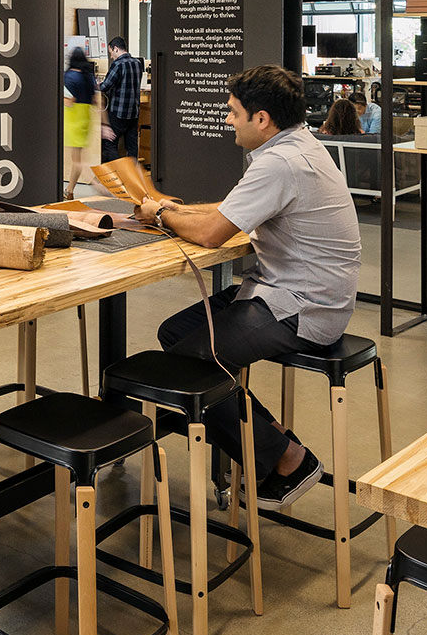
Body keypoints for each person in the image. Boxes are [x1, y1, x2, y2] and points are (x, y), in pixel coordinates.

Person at [134, 65, 361, 510]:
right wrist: (172, 208)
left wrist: (160, 215)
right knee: (175, 333)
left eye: (233, 112)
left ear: (261, 119)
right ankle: (268, 435)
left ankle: (287, 460)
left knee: (189, 363)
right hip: (292, 291)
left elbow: (212, 234)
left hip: (303, 306)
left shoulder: (280, 163)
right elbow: (230, 210)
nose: (227, 120)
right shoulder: (295, 146)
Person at [100, 36, 143, 162]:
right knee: (132, 147)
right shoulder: (137, 63)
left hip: (119, 112)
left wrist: (96, 86)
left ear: (116, 49)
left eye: (111, 52)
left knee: (109, 144)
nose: (111, 56)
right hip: (133, 113)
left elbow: (105, 86)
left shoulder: (118, 64)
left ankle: (118, 171)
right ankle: (132, 172)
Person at [63, 47, 97, 199]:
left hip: (73, 119)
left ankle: (94, 182)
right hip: (85, 118)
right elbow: (95, 100)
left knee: (76, 159)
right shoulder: (88, 76)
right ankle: (69, 190)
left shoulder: (69, 76)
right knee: (77, 156)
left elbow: (69, 101)